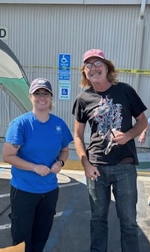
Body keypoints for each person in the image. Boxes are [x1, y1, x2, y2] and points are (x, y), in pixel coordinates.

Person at [72, 48, 148, 251]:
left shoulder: (125, 90)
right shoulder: (83, 99)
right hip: (96, 167)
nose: (93, 68)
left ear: (108, 68)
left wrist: (129, 135)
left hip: (125, 166)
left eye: (98, 63)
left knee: (129, 222)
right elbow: (77, 136)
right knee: (98, 220)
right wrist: (85, 163)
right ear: (84, 72)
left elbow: (143, 121)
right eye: (89, 65)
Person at [2, 78, 72, 252]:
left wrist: (60, 162)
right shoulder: (20, 124)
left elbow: (65, 150)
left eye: (45, 93)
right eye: (37, 93)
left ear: (51, 97)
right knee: (21, 240)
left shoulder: (59, 124)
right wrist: (34, 167)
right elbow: (8, 156)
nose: (42, 97)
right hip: (24, 190)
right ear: (30, 97)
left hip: (49, 191)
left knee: (41, 235)